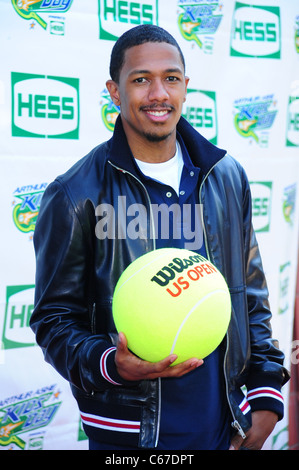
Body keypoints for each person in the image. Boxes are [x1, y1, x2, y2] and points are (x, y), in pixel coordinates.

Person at [30, 24, 289, 451]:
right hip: (130, 437)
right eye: (140, 80)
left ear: (186, 87)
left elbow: (249, 296)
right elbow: (53, 320)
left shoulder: (225, 176)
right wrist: (112, 363)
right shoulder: (76, 194)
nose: (158, 94)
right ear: (115, 92)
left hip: (223, 424)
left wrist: (264, 395)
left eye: (170, 78)